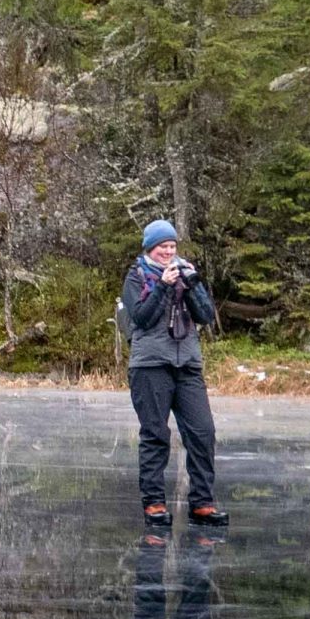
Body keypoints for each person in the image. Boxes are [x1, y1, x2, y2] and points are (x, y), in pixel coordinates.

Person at [122, 219, 224, 527]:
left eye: (172, 247)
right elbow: (141, 317)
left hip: (188, 364)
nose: (168, 252)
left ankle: (202, 503)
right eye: (163, 247)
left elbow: (206, 316)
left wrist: (190, 285)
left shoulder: (185, 272)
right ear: (151, 248)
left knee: (203, 432)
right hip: (150, 365)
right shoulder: (136, 276)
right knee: (156, 435)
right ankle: (154, 503)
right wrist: (164, 287)